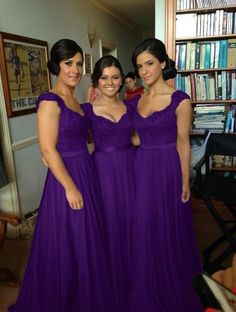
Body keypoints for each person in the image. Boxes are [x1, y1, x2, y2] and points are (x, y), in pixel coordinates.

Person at [8, 39, 114, 312]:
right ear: (56, 66)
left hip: (86, 171)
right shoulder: (49, 100)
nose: (75, 69)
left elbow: (85, 134)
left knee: (88, 236)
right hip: (66, 177)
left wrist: (93, 102)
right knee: (68, 239)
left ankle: (86, 294)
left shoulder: (76, 101)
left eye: (79, 64)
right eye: (69, 63)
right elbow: (47, 148)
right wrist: (69, 187)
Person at [125, 37, 203, 311]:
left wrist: (185, 180)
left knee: (168, 226)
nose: (144, 71)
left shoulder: (180, 100)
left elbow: (183, 142)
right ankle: (147, 283)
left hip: (169, 166)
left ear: (163, 63)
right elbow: (135, 138)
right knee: (144, 227)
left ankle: (172, 283)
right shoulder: (136, 101)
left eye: (149, 64)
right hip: (142, 166)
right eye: (139, 66)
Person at [82, 55, 136, 312]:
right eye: (104, 77)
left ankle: (135, 278)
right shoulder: (87, 109)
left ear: (122, 80)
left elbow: (138, 138)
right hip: (101, 171)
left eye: (115, 77)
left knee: (132, 223)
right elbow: (70, 138)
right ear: (96, 81)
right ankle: (110, 282)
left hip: (130, 168)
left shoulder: (131, 107)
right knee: (108, 225)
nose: (110, 82)